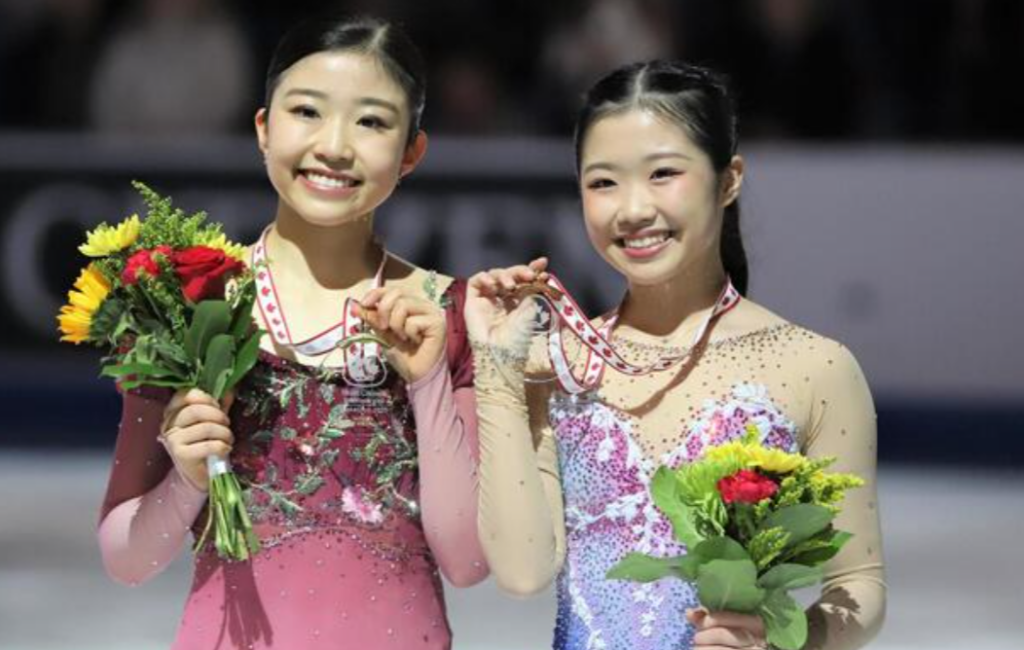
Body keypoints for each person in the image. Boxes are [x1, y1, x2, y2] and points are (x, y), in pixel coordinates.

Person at [97, 14, 488, 650]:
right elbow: (126, 558)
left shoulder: (443, 313)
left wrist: (428, 385)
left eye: (371, 122)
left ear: (412, 152)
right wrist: (188, 478)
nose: (334, 145)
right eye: (306, 111)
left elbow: (468, 561)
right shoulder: (187, 304)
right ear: (263, 127)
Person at [466, 60, 886, 650]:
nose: (633, 209)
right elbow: (522, 573)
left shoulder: (813, 367)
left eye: (663, 173)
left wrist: (783, 642)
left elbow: (859, 584)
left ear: (728, 180)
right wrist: (496, 370)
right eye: (603, 183)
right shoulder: (554, 367)